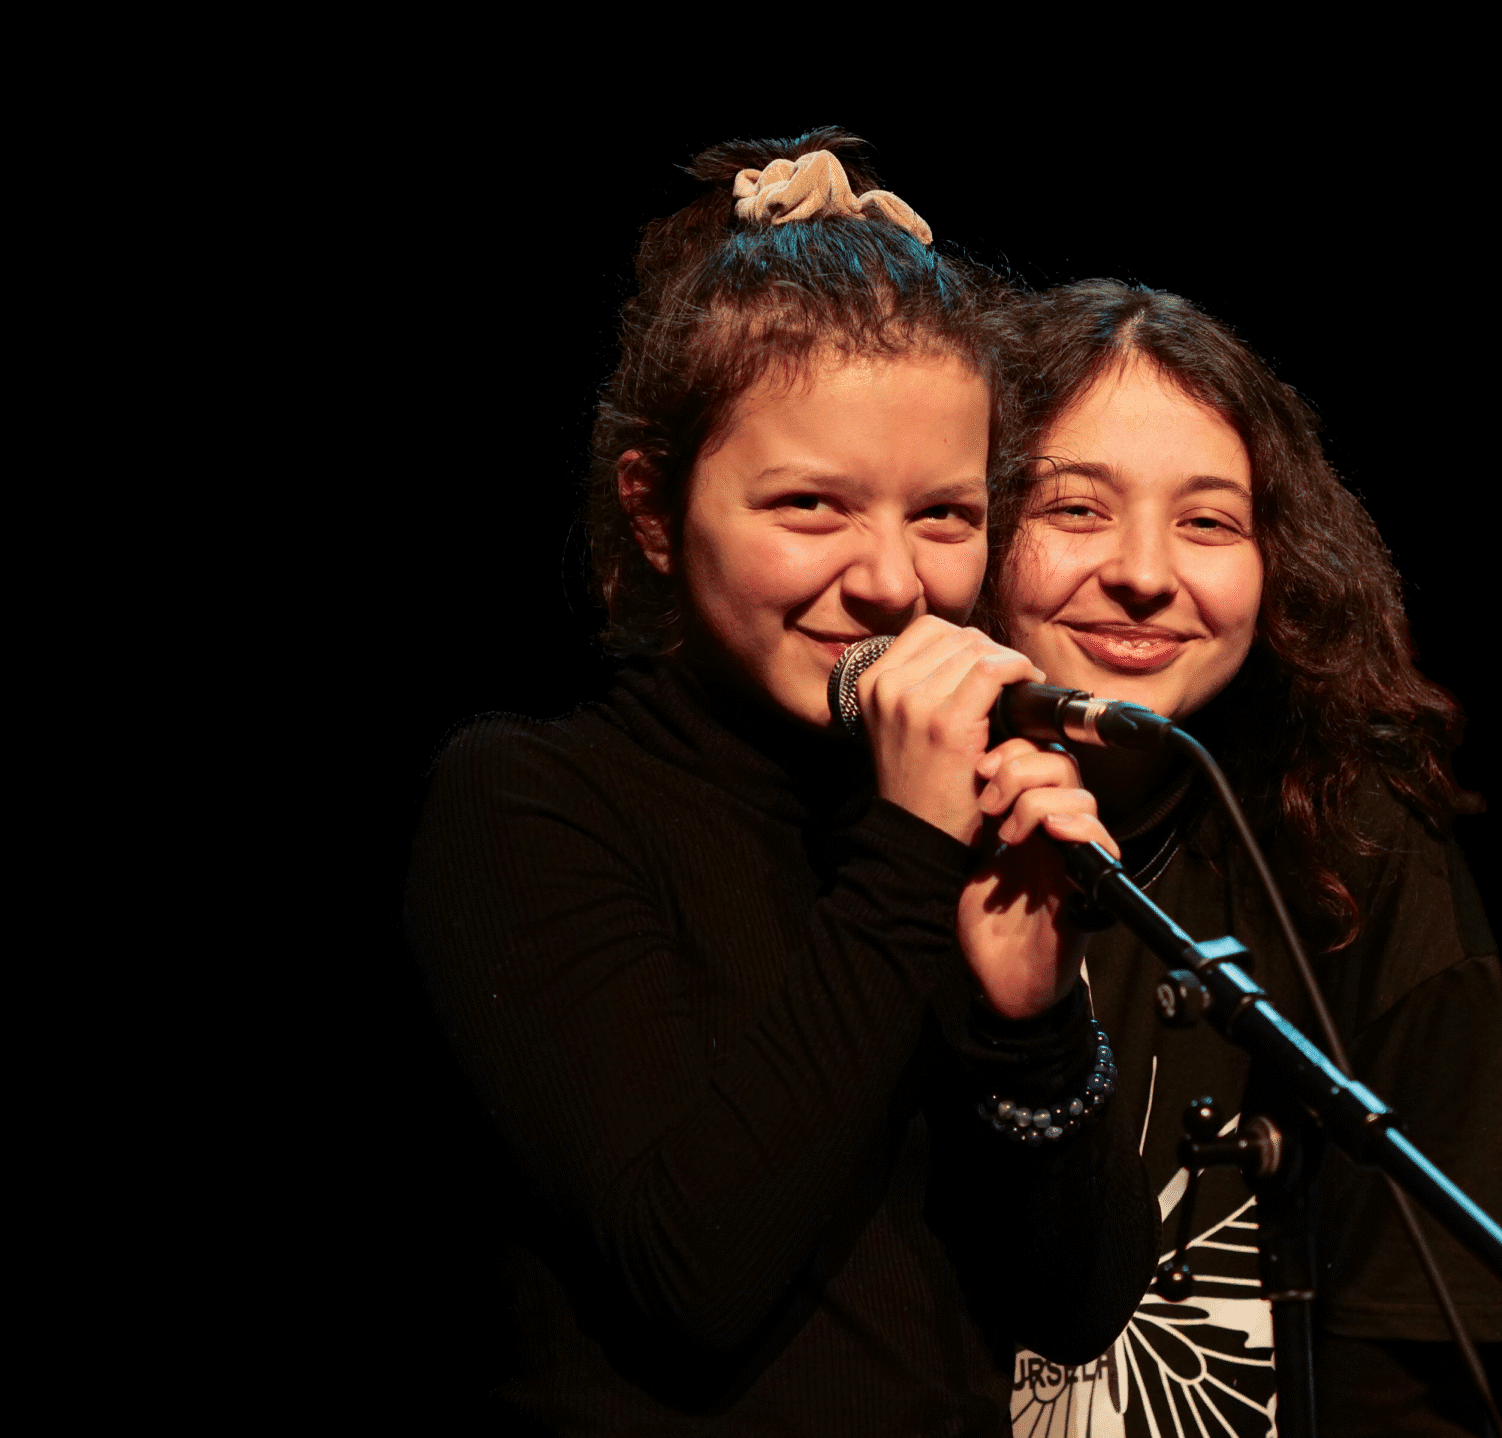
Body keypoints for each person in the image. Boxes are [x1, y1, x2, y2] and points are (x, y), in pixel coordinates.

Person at [404, 133, 1152, 1434]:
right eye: (811, 506)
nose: (890, 580)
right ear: (653, 507)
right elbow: (692, 1272)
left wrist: (1035, 1025)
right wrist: (910, 849)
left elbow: (1076, 1307)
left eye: (944, 515)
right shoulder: (531, 799)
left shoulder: (956, 812)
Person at [989, 281, 1502, 1438]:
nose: (1145, 571)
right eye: (1076, 508)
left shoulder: (1354, 852)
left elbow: (1410, 1365)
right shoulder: (872, 836)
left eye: (1208, 522)